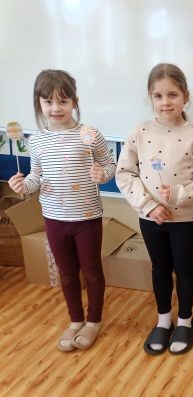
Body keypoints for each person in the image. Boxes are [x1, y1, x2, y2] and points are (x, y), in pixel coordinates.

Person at [8, 69, 115, 351]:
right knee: (66, 273)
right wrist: (23, 185)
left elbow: (110, 165)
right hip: (54, 218)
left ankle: (94, 321)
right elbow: (35, 176)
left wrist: (103, 174)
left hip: (87, 217)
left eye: (63, 101)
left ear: (74, 102)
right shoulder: (36, 141)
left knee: (91, 270)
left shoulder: (90, 135)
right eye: (48, 102)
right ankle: (76, 320)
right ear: (39, 103)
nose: (56, 108)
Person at [116, 63, 193, 355]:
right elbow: (125, 173)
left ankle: (184, 320)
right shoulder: (140, 132)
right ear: (150, 98)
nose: (165, 102)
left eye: (172, 94)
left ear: (186, 96)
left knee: (184, 268)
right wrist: (148, 206)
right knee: (160, 269)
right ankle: (163, 321)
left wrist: (182, 194)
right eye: (158, 96)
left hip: (185, 219)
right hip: (151, 219)